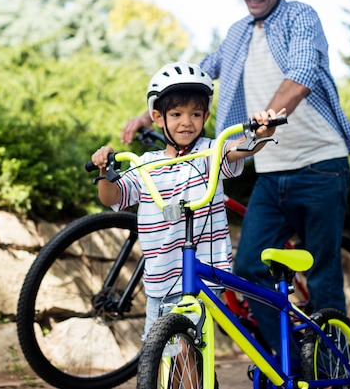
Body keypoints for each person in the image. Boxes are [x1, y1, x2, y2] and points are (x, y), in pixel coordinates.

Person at [121, 0, 350, 354]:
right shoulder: (237, 33)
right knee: (247, 267)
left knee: (322, 276)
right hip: (268, 170)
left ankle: (336, 366)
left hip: (320, 165)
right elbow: (193, 76)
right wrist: (147, 115)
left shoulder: (300, 16)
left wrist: (268, 117)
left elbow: (300, 75)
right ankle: (288, 359)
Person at [92, 61, 284, 335]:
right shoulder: (145, 164)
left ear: (205, 117)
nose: (186, 122)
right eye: (177, 114)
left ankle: (197, 379)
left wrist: (260, 134)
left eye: (195, 114)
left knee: (190, 347)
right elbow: (112, 196)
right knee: (156, 359)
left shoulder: (210, 152)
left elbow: (237, 148)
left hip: (203, 275)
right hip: (160, 280)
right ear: (158, 118)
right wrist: (105, 170)